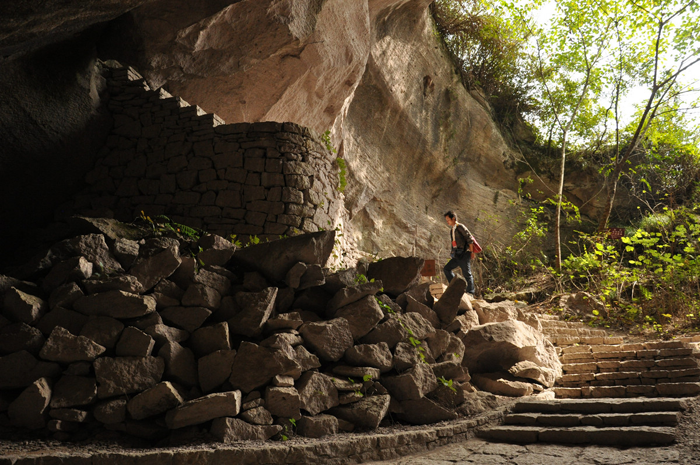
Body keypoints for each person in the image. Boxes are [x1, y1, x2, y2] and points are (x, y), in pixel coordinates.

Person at [443, 211, 476, 295]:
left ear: (453, 218)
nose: (447, 222)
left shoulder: (460, 227)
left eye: (448, 219)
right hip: (457, 254)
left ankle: (470, 293)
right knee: (447, 269)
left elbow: (470, 239)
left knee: (467, 274)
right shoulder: (452, 230)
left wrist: (472, 252)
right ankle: (456, 287)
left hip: (464, 253)